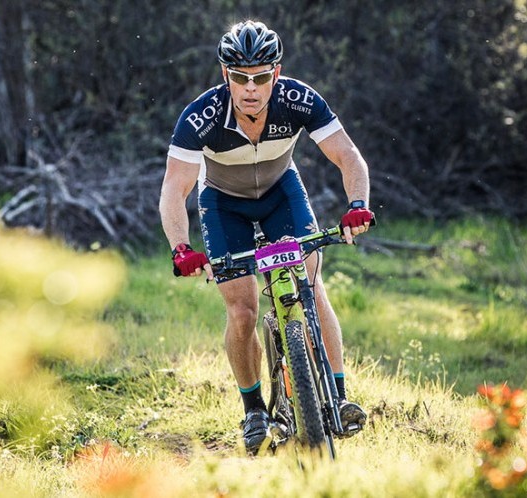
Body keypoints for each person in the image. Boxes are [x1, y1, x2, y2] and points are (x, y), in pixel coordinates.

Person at [159, 20, 374, 455]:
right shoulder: (200, 117)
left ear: (276, 73)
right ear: (226, 76)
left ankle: (338, 395)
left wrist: (356, 205)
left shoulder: (298, 100)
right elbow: (174, 189)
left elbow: (348, 156)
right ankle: (254, 408)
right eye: (240, 78)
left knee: (312, 288)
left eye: (260, 77)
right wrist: (181, 248)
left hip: (282, 193)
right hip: (223, 203)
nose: (251, 88)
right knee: (242, 311)